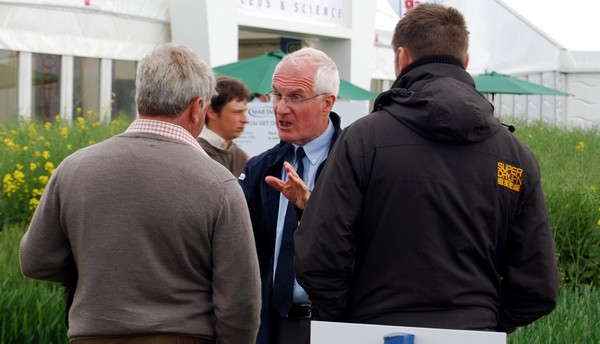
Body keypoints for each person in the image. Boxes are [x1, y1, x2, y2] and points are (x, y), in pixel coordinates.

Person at [294, 3, 559, 334]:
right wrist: (483, 324)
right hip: (474, 332)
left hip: (373, 331)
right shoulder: (515, 157)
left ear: (402, 58)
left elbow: (318, 254)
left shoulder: (363, 140)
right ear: (465, 62)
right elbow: (539, 284)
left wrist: (348, 323)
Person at [19, 42, 261, 344]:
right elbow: (240, 300)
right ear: (197, 107)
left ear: (141, 96)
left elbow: (36, 261)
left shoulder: (74, 168)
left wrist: (100, 269)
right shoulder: (220, 185)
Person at [238, 47, 343, 344]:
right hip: (273, 326)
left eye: (295, 97)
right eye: (277, 95)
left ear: (327, 103)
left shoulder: (354, 166)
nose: (281, 108)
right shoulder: (262, 168)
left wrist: (310, 208)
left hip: (334, 326)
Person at [197, 75, 251, 177]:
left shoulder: (240, 156)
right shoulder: (197, 152)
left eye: (244, 112)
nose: (245, 120)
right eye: (237, 112)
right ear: (211, 112)